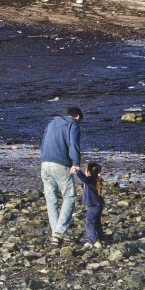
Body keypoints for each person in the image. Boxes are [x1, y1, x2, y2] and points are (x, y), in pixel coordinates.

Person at [39, 106, 82, 242]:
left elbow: (43, 143)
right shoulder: (73, 125)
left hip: (45, 163)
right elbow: (73, 145)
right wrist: (75, 162)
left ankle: (56, 234)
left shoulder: (51, 123)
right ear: (78, 117)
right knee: (69, 196)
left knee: (51, 199)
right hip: (60, 163)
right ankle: (59, 230)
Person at [71, 162, 105, 248]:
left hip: (93, 205)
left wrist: (77, 171)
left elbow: (83, 178)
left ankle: (92, 240)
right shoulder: (96, 179)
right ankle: (101, 237)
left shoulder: (90, 179)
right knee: (97, 222)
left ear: (89, 172)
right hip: (99, 205)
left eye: (86, 169)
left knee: (89, 223)